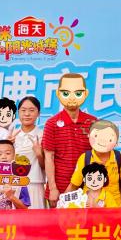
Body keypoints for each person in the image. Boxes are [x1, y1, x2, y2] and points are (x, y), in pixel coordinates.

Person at [42, 73, 96, 205]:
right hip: (59, 189)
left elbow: (97, 155)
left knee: (88, 219)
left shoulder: (93, 122)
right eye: (66, 93)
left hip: (87, 186)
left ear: (85, 93)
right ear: (58, 93)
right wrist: (53, 188)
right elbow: (49, 158)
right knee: (58, 219)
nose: (72, 97)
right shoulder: (51, 123)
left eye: (77, 93)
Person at [65, 120, 121, 209]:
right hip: (89, 208)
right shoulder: (85, 158)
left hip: (114, 209)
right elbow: (74, 185)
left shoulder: (118, 157)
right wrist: (62, 204)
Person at [11, 95, 46, 209]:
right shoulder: (11, 135)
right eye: (23, 110)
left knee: (35, 217)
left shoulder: (43, 135)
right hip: (13, 184)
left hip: (35, 183)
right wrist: (8, 146)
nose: (27, 114)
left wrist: (39, 154)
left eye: (31, 110)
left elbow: (46, 166)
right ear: (18, 113)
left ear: (38, 113)